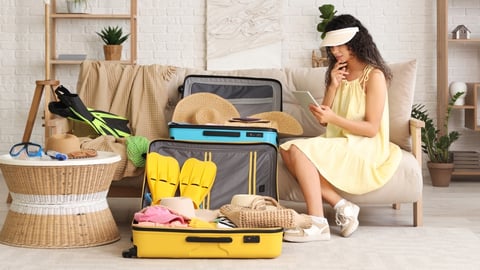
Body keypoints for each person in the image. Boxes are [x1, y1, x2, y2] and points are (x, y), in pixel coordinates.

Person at [281, 14, 402, 242]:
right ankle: (343, 206)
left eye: (339, 45)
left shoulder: (374, 76)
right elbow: (324, 121)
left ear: (355, 42)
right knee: (286, 149)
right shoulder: (338, 72)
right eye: (332, 47)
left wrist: (333, 117)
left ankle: (317, 222)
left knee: (297, 150)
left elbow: (371, 129)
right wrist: (333, 85)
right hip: (340, 140)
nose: (335, 51)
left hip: (365, 145)